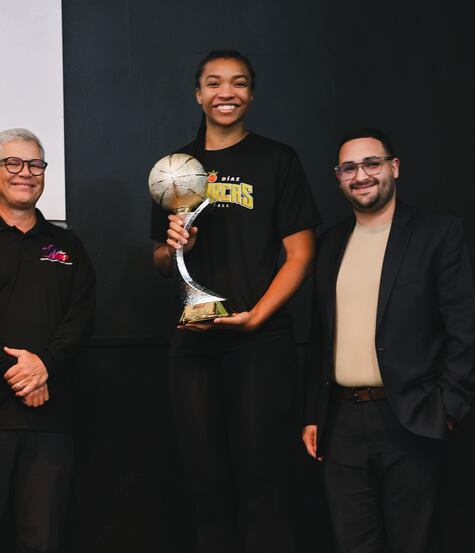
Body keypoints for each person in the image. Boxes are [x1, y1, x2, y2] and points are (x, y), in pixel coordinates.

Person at [151, 50, 320, 552]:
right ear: (198, 94)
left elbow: (301, 253)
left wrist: (255, 319)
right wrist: (178, 245)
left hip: (260, 342)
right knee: (206, 492)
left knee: (263, 489)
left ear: (250, 94)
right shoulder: (175, 167)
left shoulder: (276, 160)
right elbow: (161, 261)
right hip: (194, 345)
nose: (227, 92)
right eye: (215, 83)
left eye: (239, 83)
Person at [302, 128, 475, 552]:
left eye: (371, 164)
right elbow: (318, 336)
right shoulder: (328, 244)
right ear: (339, 178)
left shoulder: (438, 233)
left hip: (411, 418)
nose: (361, 175)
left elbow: (464, 327)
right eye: (349, 168)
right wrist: (314, 414)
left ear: (394, 168)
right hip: (341, 423)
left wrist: (447, 409)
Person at [0, 128, 95, 553]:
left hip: (51, 420)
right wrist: (17, 369)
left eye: (35, 165)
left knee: (43, 541)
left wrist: (44, 364)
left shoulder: (68, 245)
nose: (26, 173)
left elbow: (80, 318)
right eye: (13, 163)